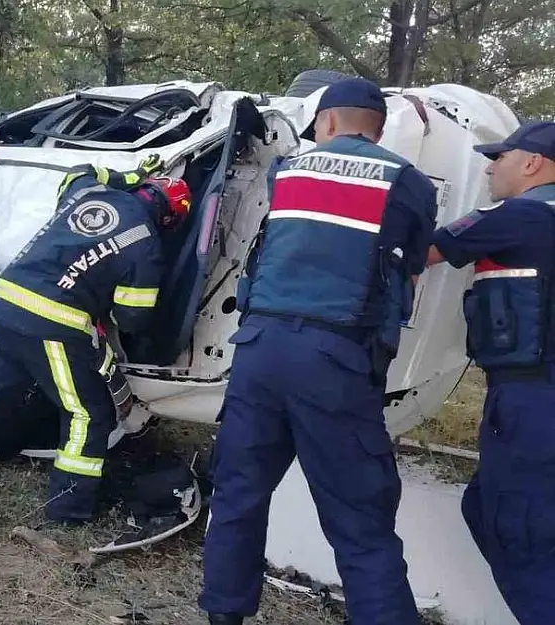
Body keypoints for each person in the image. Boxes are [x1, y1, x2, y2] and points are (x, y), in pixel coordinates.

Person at [198, 78, 438, 625]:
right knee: (359, 517)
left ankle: (224, 615)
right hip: (337, 359)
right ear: (378, 129)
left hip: (259, 350)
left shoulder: (289, 171)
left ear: (326, 123)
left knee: (238, 493)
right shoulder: (409, 182)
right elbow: (414, 263)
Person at [0, 154, 189, 525]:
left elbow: (80, 170)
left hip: (4, 305)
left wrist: (130, 174)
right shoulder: (146, 241)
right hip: (55, 325)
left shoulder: (85, 192)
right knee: (86, 414)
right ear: (169, 218)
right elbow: (133, 317)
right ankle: (68, 511)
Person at [424, 121, 555, 625]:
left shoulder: (521, 215)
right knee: (485, 507)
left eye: (500, 157)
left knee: (518, 531)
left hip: (533, 400)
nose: (490, 166)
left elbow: (424, 252)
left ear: (532, 163)